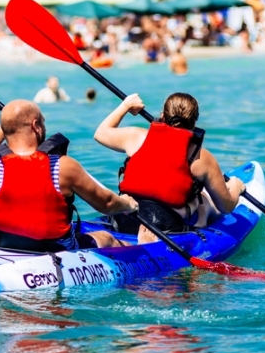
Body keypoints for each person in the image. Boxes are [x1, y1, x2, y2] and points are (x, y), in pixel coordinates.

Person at [0, 100, 138, 251]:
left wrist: (10, 122)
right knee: (106, 238)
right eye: (42, 122)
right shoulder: (63, 166)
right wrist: (128, 204)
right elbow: (107, 203)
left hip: (4, 246)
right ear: (35, 126)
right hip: (55, 249)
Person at [94, 93, 246, 244]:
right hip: (163, 228)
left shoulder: (135, 136)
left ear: (162, 115)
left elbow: (100, 134)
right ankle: (201, 222)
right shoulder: (202, 157)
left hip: (123, 218)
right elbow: (226, 206)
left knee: (199, 201)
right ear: (194, 123)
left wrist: (126, 105)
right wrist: (236, 188)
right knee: (203, 201)